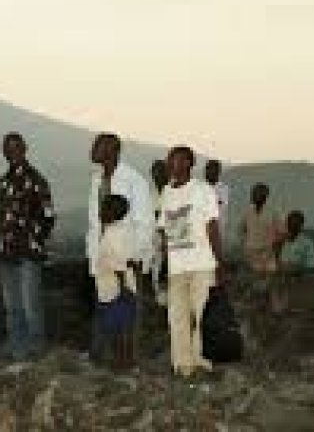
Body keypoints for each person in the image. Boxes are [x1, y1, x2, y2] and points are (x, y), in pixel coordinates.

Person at [158, 146, 224, 378]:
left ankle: (202, 362)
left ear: (187, 163)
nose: (169, 164)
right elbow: (165, 232)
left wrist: (219, 261)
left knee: (204, 315)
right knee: (177, 317)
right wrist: (164, 266)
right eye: (169, 160)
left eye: (174, 160)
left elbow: (212, 227)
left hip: (202, 264)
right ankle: (183, 366)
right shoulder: (166, 192)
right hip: (177, 267)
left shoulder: (203, 190)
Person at [86, 133, 153, 361]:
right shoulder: (97, 180)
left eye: (98, 145)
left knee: (127, 313)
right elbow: (94, 223)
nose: (93, 149)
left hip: (126, 259)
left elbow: (145, 223)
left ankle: (127, 362)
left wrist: (137, 258)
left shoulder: (134, 180)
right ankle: (108, 359)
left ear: (113, 150)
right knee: (107, 309)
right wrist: (93, 256)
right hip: (104, 257)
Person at [0, 132, 56, 360]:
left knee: (31, 304)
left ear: (24, 149)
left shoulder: (37, 180)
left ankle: (36, 350)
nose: (11, 152)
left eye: (15, 147)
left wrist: (34, 239)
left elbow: (48, 215)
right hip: (6, 251)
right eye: (7, 148)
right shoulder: (3, 182)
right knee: (12, 306)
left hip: (28, 252)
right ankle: (16, 347)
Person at [95, 194, 137, 370]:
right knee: (118, 327)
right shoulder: (113, 231)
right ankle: (122, 359)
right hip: (111, 287)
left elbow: (120, 264)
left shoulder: (115, 233)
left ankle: (123, 360)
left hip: (116, 289)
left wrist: (123, 289)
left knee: (119, 328)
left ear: (112, 213)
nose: (100, 211)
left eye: (104, 208)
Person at [238, 183, 283, 310]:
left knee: (269, 285)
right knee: (254, 285)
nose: (254, 196)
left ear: (265, 196)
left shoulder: (274, 212)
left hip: (268, 255)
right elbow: (241, 230)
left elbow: (281, 233)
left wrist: (275, 250)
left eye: (257, 194)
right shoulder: (247, 212)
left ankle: (274, 310)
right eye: (253, 193)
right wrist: (245, 245)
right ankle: (255, 309)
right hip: (251, 255)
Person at [275, 211, 314, 313]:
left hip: (299, 271)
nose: (292, 227)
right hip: (282, 270)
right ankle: (277, 305)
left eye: (295, 224)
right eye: (290, 224)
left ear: (300, 226)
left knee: (284, 275)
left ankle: (281, 305)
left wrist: (295, 267)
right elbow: (276, 258)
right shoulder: (282, 241)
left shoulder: (307, 242)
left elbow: (312, 265)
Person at [150, 159, 170, 303]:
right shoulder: (151, 196)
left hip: (171, 245)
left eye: (161, 173)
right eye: (155, 174)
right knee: (157, 281)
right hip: (155, 245)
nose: (158, 177)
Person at [204, 160, 230, 243]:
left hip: (217, 229)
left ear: (218, 172)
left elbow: (220, 204)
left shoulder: (223, 188)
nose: (208, 172)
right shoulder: (199, 187)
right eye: (207, 169)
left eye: (212, 170)